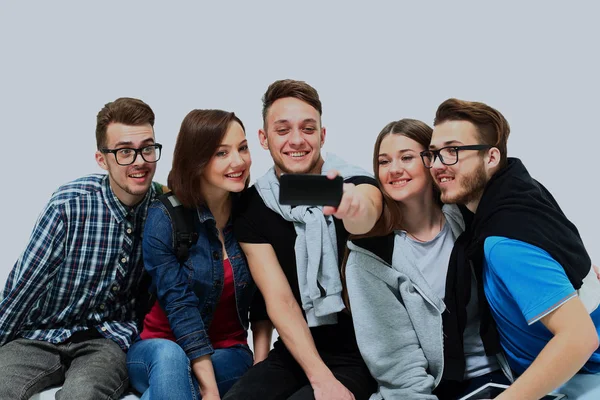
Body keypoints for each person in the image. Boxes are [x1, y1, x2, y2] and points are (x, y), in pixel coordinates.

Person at [426, 98, 600, 399]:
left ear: (491, 158)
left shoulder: (504, 241)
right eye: (433, 154)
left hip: (577, 378)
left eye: (453, 151)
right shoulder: (517, 188)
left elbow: (579, 338)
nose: (439, 164)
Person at [223, 79, 383, 400]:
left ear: (322, 135)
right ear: (264, 139)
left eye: (308, 129)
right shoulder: (255, 204)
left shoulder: (350, 180)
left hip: (363, 351)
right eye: (283, 130)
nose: (297, 140)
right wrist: (321, 378)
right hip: (296, 348)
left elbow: (368, 206)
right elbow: (279, 300)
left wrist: (354, 206)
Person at [0, 97, 163, 399]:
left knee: (83, 395)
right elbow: (23, 286)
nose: (140, 161)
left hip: (108, 339)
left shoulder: (163, 208)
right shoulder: (70, 204)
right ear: (102, 160)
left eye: (148, 148)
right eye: (125, 151)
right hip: (41, 333)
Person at [343, 119, 514, 400]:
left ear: (432, 161)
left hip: (506, 375)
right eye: (384, 162)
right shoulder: (370, 258)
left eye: (407, 157)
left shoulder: (469, 217)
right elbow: (397, 363)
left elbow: (524, 235)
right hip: (434, 390)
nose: (394, 169)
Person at [126, 109, 272, 400]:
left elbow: (264, 300)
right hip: (156, 349)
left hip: (228, 352)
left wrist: (261, 367)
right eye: (222, 153)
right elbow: (179, 305)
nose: (238, 161)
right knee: (171, 358)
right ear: (197, 161)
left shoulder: (254, 212)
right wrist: (210, 391)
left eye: (243, 148)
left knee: (169, 390)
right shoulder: (165, 216)